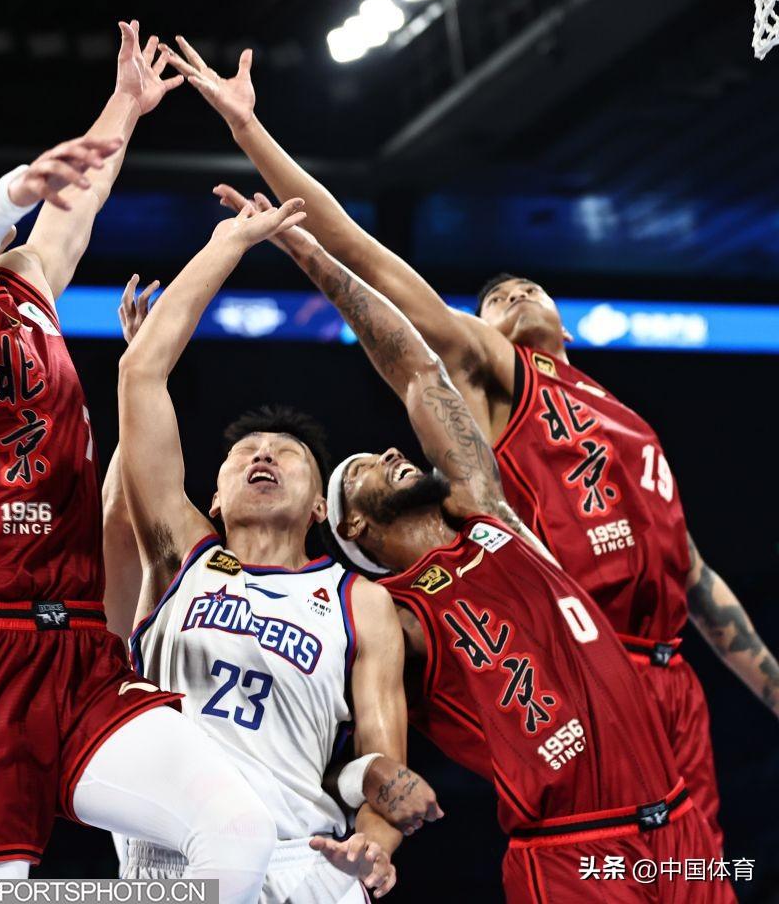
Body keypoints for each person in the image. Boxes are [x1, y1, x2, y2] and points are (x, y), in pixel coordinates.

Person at [160, 37, 779, 847]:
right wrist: (255, 142)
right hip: (583, 684)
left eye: (526, 285)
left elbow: (691, 574)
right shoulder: (494, 391)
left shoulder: (625, 421)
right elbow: (384, 291)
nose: (510, 291)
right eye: (490, 299)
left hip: (664, 684)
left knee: (708, 874)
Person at [0, 23, 277, 901]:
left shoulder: (27, 283)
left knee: (238, 829)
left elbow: (81, 194)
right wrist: (6, 196)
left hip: (81, 651)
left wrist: (126, 105)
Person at [266, 209, 731, 903]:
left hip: (678, 828)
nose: (390, 452)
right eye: (362, 467)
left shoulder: (490, 515)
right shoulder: (389, 614)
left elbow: (416, 369)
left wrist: (310, 254)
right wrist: (366, 795)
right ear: (352, 525)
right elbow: (348, 742)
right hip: (572, 850)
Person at [104, 197, 441, 902]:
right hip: (172, 870)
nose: (264, 456)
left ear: (320, 506)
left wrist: (374, 847)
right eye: (246, 452)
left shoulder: (359, 601)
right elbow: (141, 377)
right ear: (213, 499)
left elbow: (385, 764)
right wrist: (228, 242)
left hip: (303, 863)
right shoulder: (180, 557)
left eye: (287, 454)